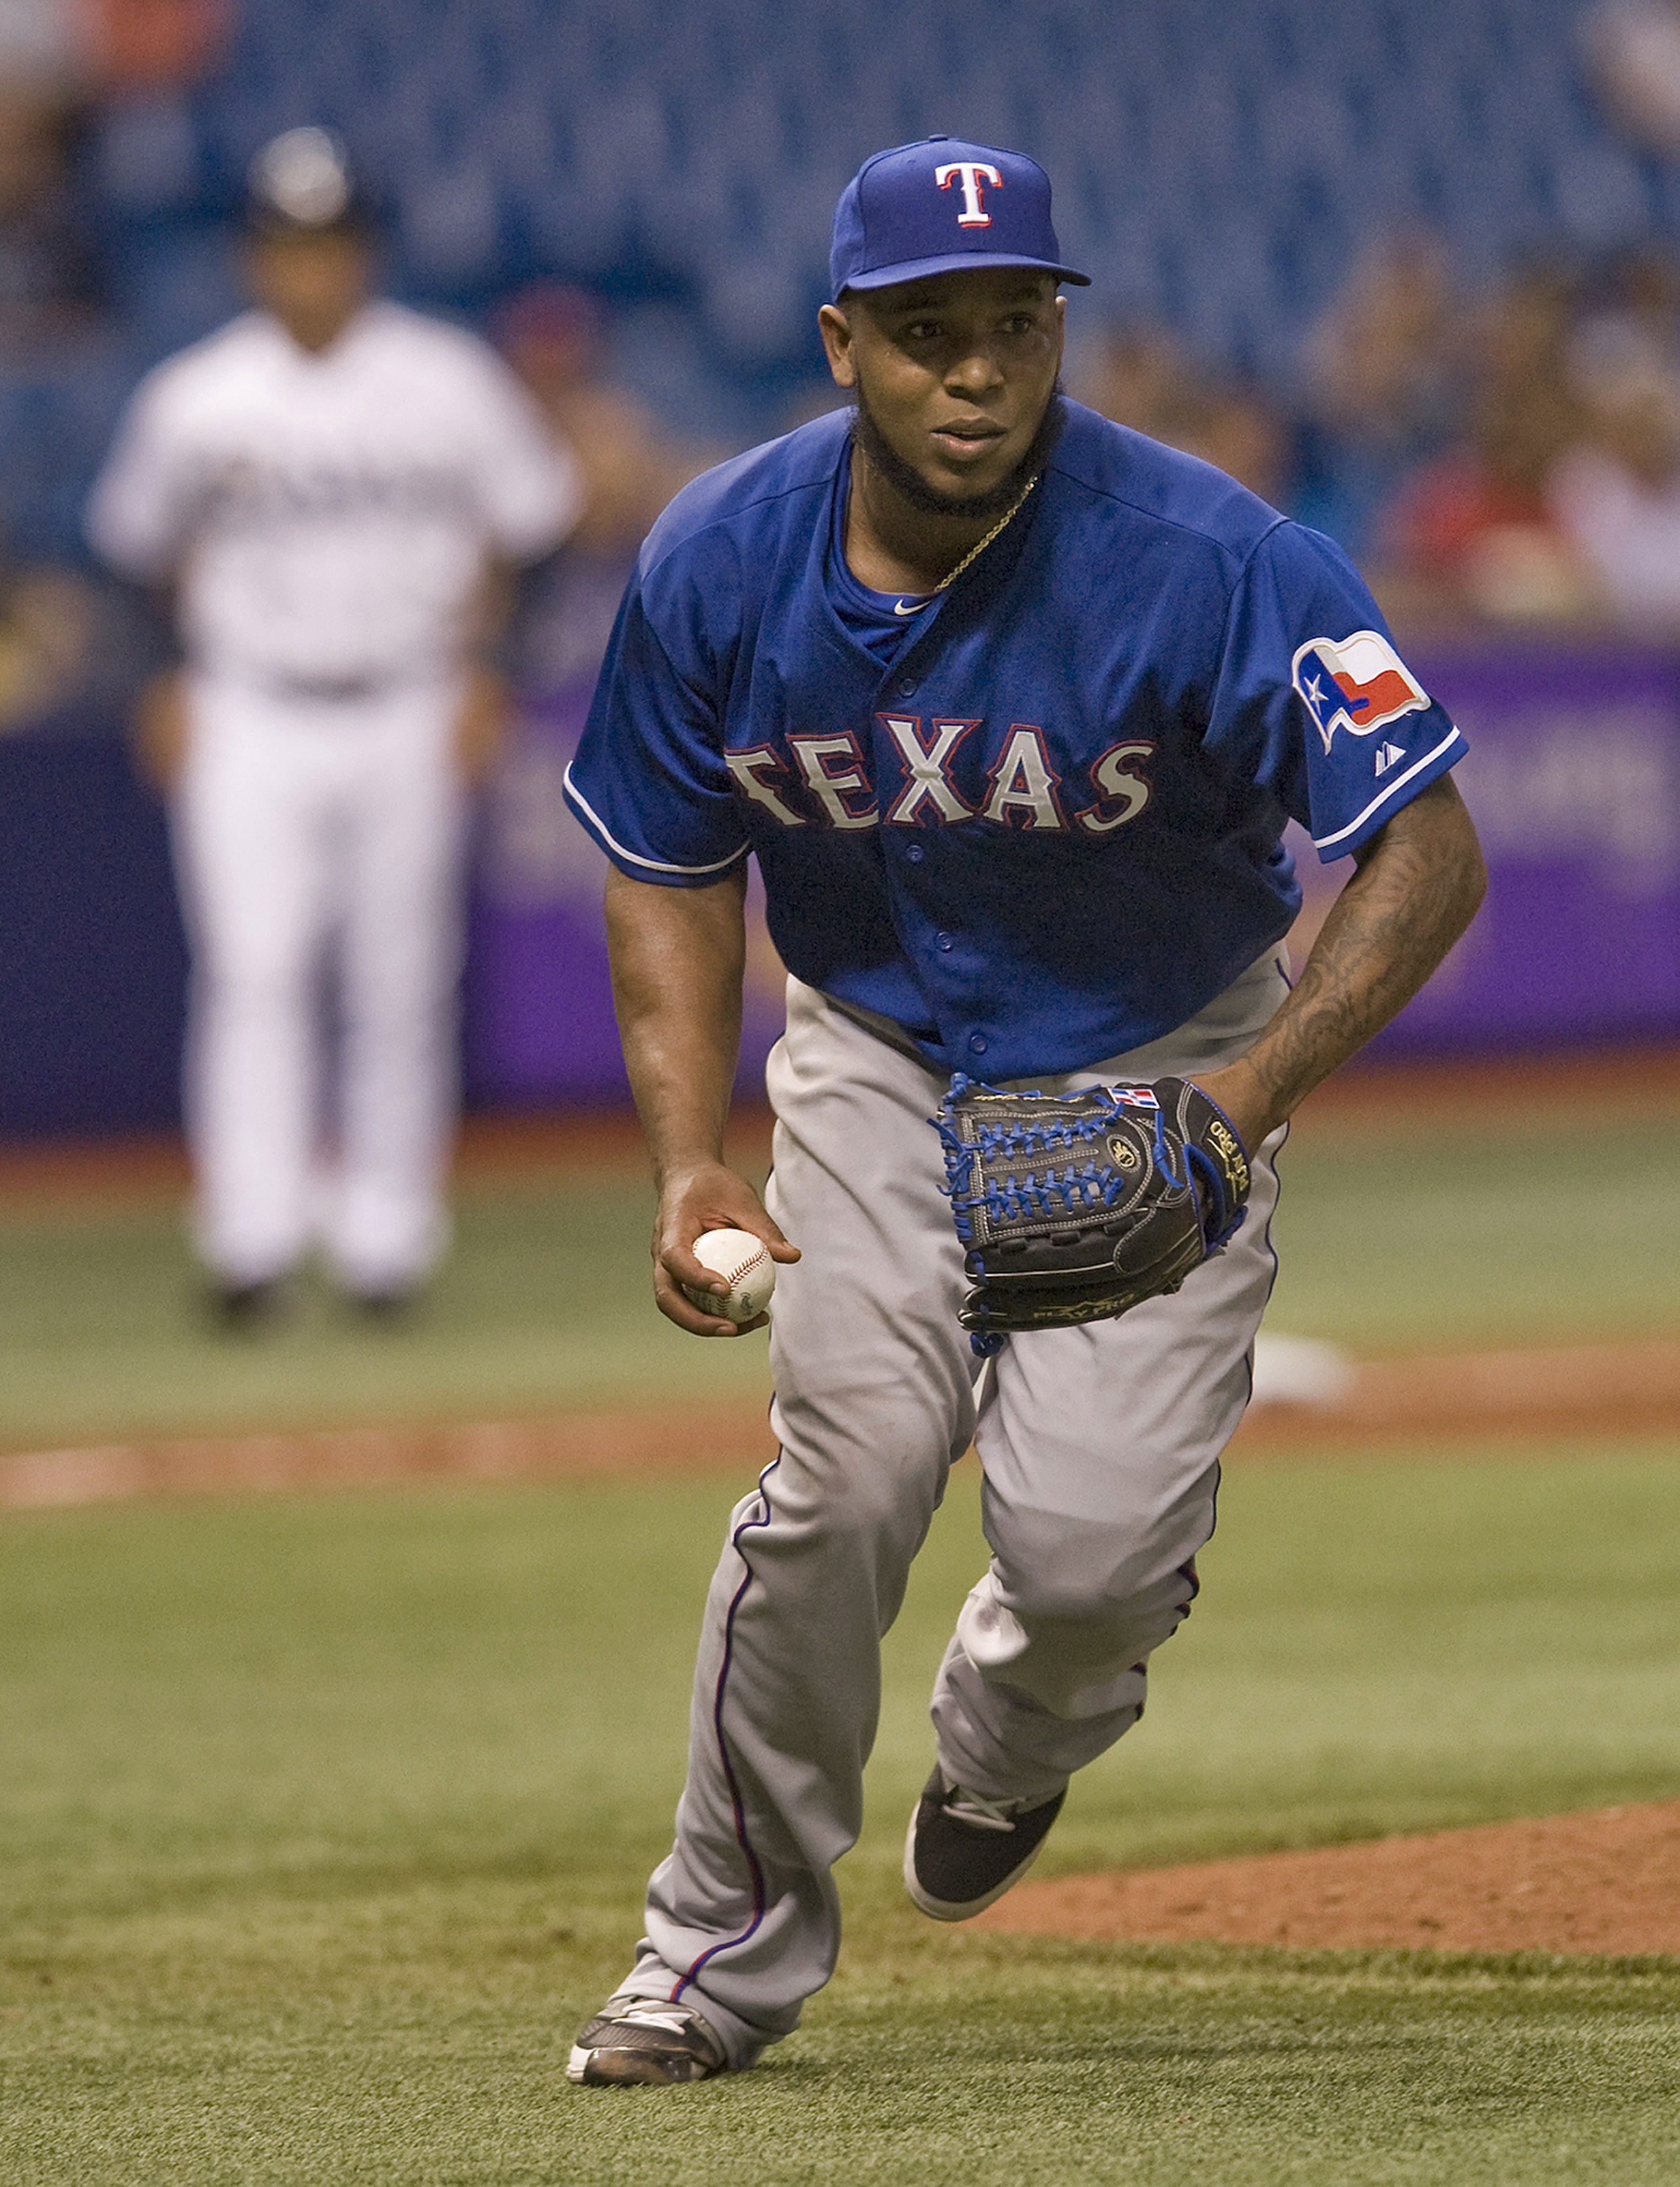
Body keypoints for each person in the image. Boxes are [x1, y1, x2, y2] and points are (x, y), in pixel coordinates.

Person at [560, 135, 1485, 2085]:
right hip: (877, 1055)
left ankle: (1013, 1733)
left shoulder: (1220, 561)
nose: (972, 368)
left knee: (1077, 1564)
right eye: (923, 333)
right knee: (845, 1479)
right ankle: (712, 1954)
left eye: (1011, 323)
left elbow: (1422, 845)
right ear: (839, 345)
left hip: (1163, 1058)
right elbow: (662, 856)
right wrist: (686, 1147)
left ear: (1056, 329)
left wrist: (1243, 1098)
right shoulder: (720, 556)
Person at [86, 127, 581, 1317]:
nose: (309, 268)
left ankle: (384, 1246)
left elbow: (543, 524)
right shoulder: (200, 395)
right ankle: (251, 1240)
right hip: (249, 702)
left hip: (409, 696)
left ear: (363, 252)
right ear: (255, 257)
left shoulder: (445, 379)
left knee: (400, 977)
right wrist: (156, 680)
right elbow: (127, 551)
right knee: (255, 969)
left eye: (329, 243)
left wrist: (492, 673)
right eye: (287, 245)